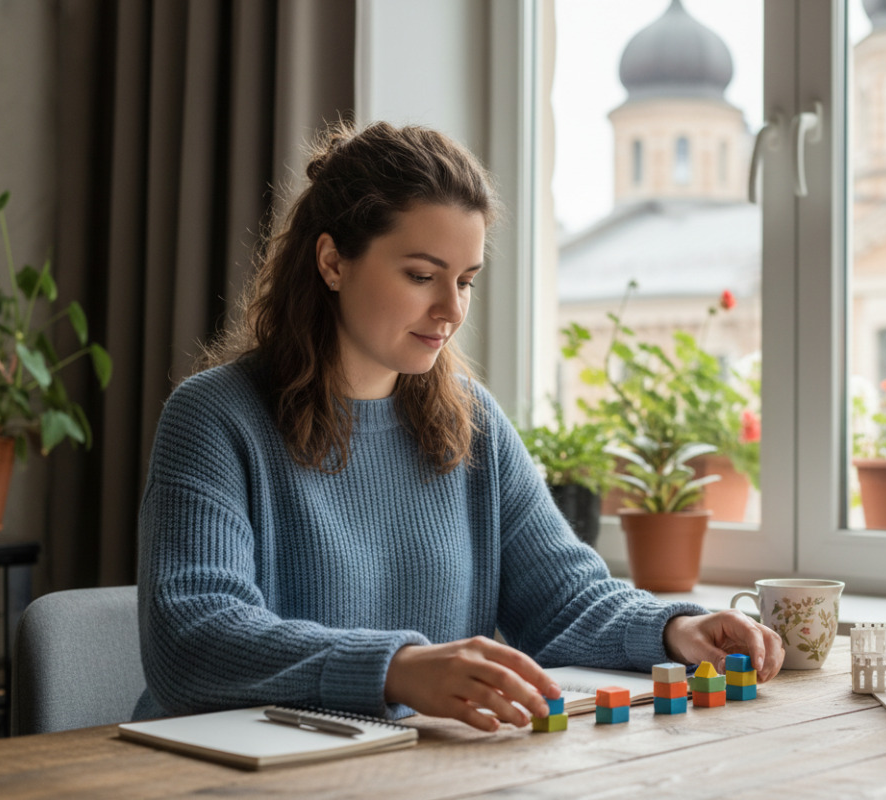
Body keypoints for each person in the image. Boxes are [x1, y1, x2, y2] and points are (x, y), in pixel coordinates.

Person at [134, 121, 782, 731]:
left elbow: (564, 600)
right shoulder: (214, 418)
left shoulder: (472, 423)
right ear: (332, 262)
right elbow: (192, 636)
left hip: (411, 770)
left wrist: (674, 629)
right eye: (421, 276)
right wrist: (397, 669)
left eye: (466, 281)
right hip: (224, 775)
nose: (450, 309)